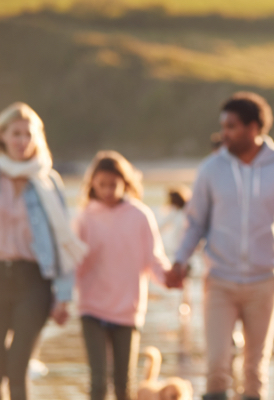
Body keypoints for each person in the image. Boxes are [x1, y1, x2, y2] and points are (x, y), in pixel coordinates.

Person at [167, 92, 274, 400]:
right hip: (220, 281)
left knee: (255, 369)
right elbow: (195, 222)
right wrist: (179, 260)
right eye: (223, 126)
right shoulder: (211, 169)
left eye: (231, 126)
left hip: (265, 281)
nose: (223, 133)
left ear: (254, 128)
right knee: (217, 365)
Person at [0, 102, 86, 400]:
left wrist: (64, 296)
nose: (22, 141)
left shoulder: (46, 182)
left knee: (18, 367)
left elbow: (63, 243)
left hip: (33, 282)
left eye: (28, 135)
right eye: (15, 134)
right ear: (1, 135)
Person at [74, 151, 172, 400]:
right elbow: (72, 263)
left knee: (123, 385)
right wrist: (60, 297)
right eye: (102, 185)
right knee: (97, 383)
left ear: (125, 183)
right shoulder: (85, 218)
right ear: (92, 184)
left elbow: (154, 258)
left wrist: (170, 278)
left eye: (113, 185)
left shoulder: (139, 216)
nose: (108, 190)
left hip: (127, 310)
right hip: (92, 308)